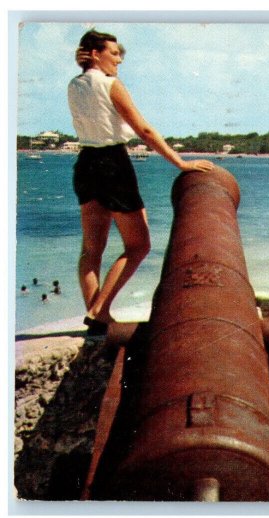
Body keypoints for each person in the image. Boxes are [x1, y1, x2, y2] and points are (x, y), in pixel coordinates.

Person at [69, 30, 213, 336]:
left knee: (91, 250)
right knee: (139, 245)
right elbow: (144, 131)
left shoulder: (75, 85)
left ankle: (97, 319)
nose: (119, 60)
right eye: (114, 53)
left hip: (85, 164)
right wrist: (180, 162)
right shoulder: (110, 84)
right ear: (95, 53)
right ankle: (99, 310)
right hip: (112, 164)